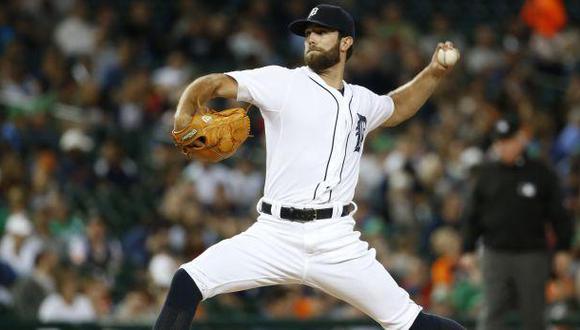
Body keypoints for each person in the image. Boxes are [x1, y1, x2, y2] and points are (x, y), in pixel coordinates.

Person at [155, 4, 464, 330]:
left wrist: (434, 72)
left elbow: (397, 106)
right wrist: (184, 110)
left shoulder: (360, 100)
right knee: (187, 281)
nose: (311, 39)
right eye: (308, 33)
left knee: (415, 323)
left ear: (345, 43)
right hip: (274, 234)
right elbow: (215, 83)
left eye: (321, 32)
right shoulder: (282, 82)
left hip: (338, 241)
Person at [460, 115, 573, 330]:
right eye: (499, 142)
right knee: (492, 313)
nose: (503, 147)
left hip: (531, 254)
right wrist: (467, 248)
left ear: (520, 140)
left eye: (508, 141)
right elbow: (471, 215)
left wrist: (563, 248)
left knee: (533, 315)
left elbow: (559, 214)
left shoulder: (540, 172)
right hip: (495, 254)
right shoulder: (486, 174)